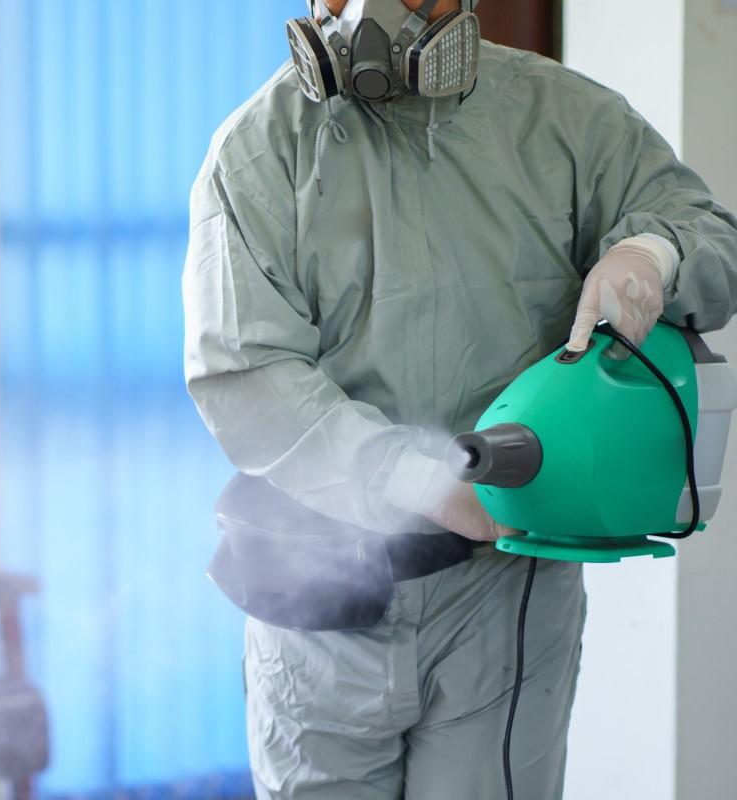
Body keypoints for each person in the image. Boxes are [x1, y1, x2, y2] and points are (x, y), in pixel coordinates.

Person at [181, 1, 737, 797]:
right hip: (321, 594)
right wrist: (412, 478)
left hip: (504, 598)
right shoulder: (257, 153)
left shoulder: (567, 121)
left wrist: (651, 253)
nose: (369, 10)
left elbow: (709, 229)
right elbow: (246, 373)